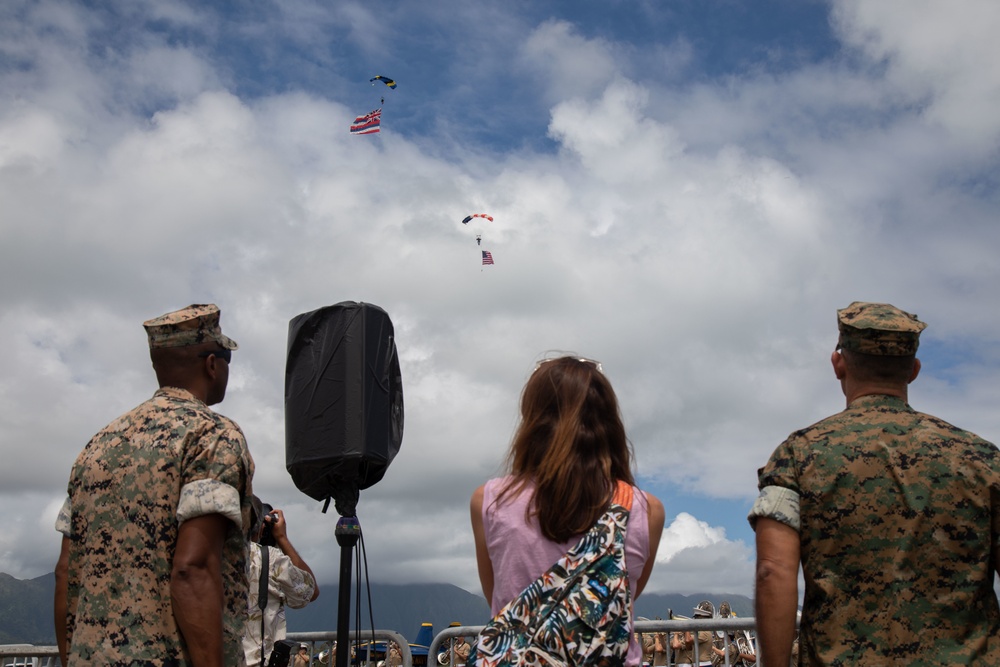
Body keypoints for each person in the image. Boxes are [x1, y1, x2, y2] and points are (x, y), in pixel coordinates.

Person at [749, 301, 1000, 666]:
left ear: (839, 364)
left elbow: (773, 571)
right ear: (913, 370)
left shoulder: (798, 455)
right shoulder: (983, 458)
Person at [53, 304, 254, 666]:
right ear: (212, 364)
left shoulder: (97, 446)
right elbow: (193, 568)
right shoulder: (211, 435)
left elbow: (66, 571)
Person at [470, 356, 665, 667]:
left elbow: (500, 594)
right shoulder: (646, 510)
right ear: (608, 421)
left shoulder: (490, 501)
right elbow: (619, 599)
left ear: (532, 418)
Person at [244, 497, 320, 667]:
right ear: (262, 527)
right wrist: (282, 538)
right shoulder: (268, 559)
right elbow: (310, 591)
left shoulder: (209, 556)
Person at [672, 601, 714, 667]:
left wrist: (687, 628)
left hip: (703, 664)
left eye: (697, 616)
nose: (695, 619)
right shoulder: (702, 631)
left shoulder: (704, 632)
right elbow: (689, 647)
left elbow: (688, 640)